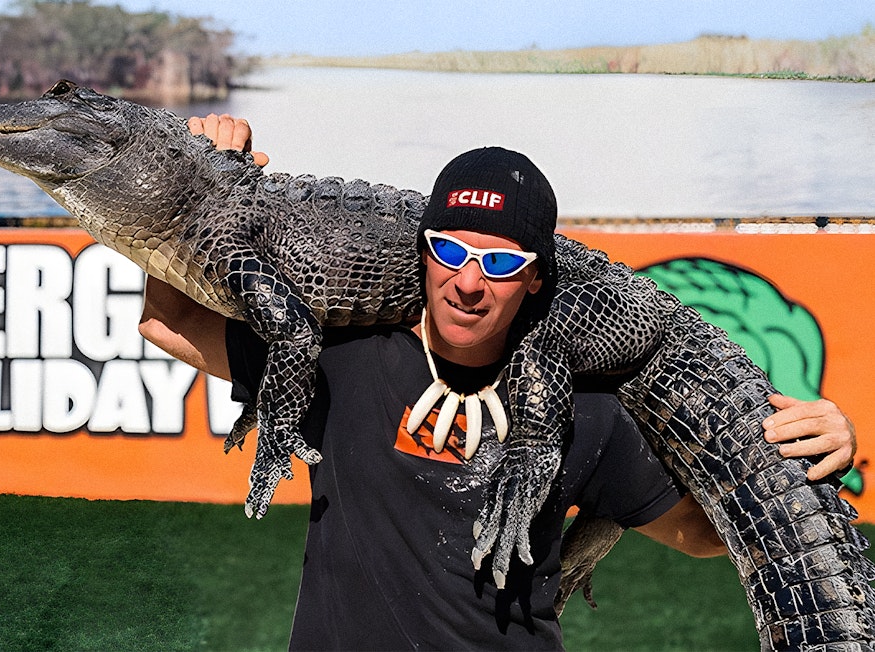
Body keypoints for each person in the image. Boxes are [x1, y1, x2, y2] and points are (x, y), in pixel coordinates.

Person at [139, 114, 858, 650]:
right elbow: (167, 321)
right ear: (421, 253)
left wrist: (810, 457)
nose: (468, 283)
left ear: (537, 277)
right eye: (449, 250)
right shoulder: (347, 360)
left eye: (502, 263)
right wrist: (204, 180)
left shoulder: (591, 407)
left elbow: (705, 536)